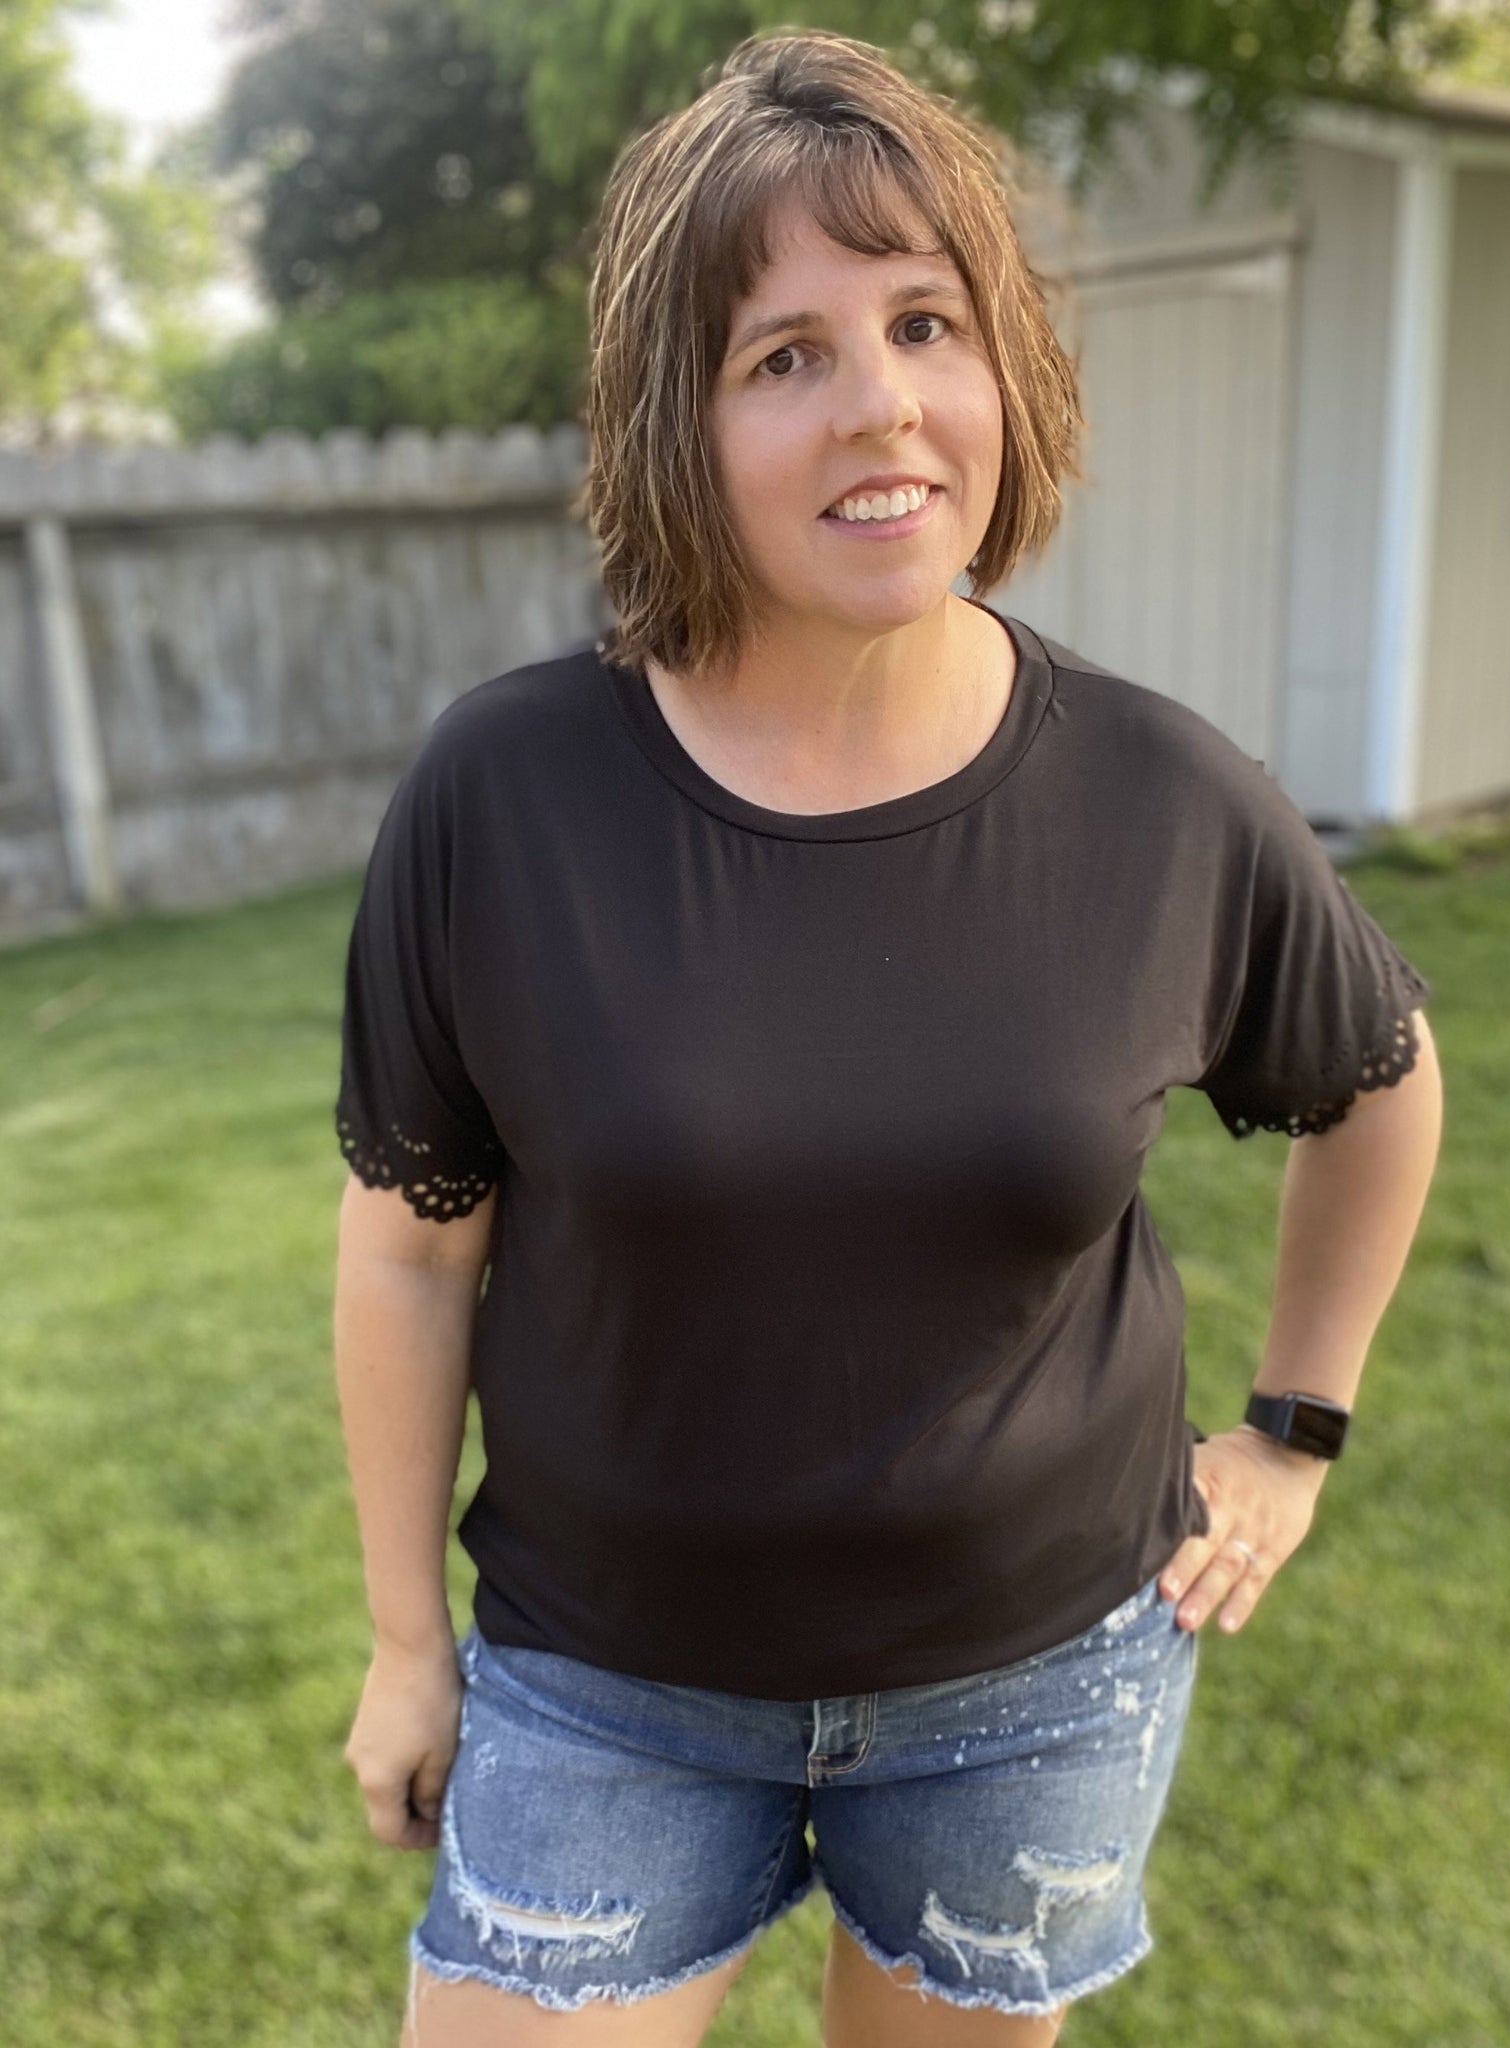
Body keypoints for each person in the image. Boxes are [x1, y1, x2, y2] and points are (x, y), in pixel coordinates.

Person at [332, 29, 1443, 2048]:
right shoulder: (504, 792)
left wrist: (1294, 1430)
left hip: (1035, 1692)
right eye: (786, 354)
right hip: (603, 1688)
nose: (885, 405)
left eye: (926, 322)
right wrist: (411, 1647)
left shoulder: (1160, 796)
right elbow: (412, 1253)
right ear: (674, 422)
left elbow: (1375, 1081)